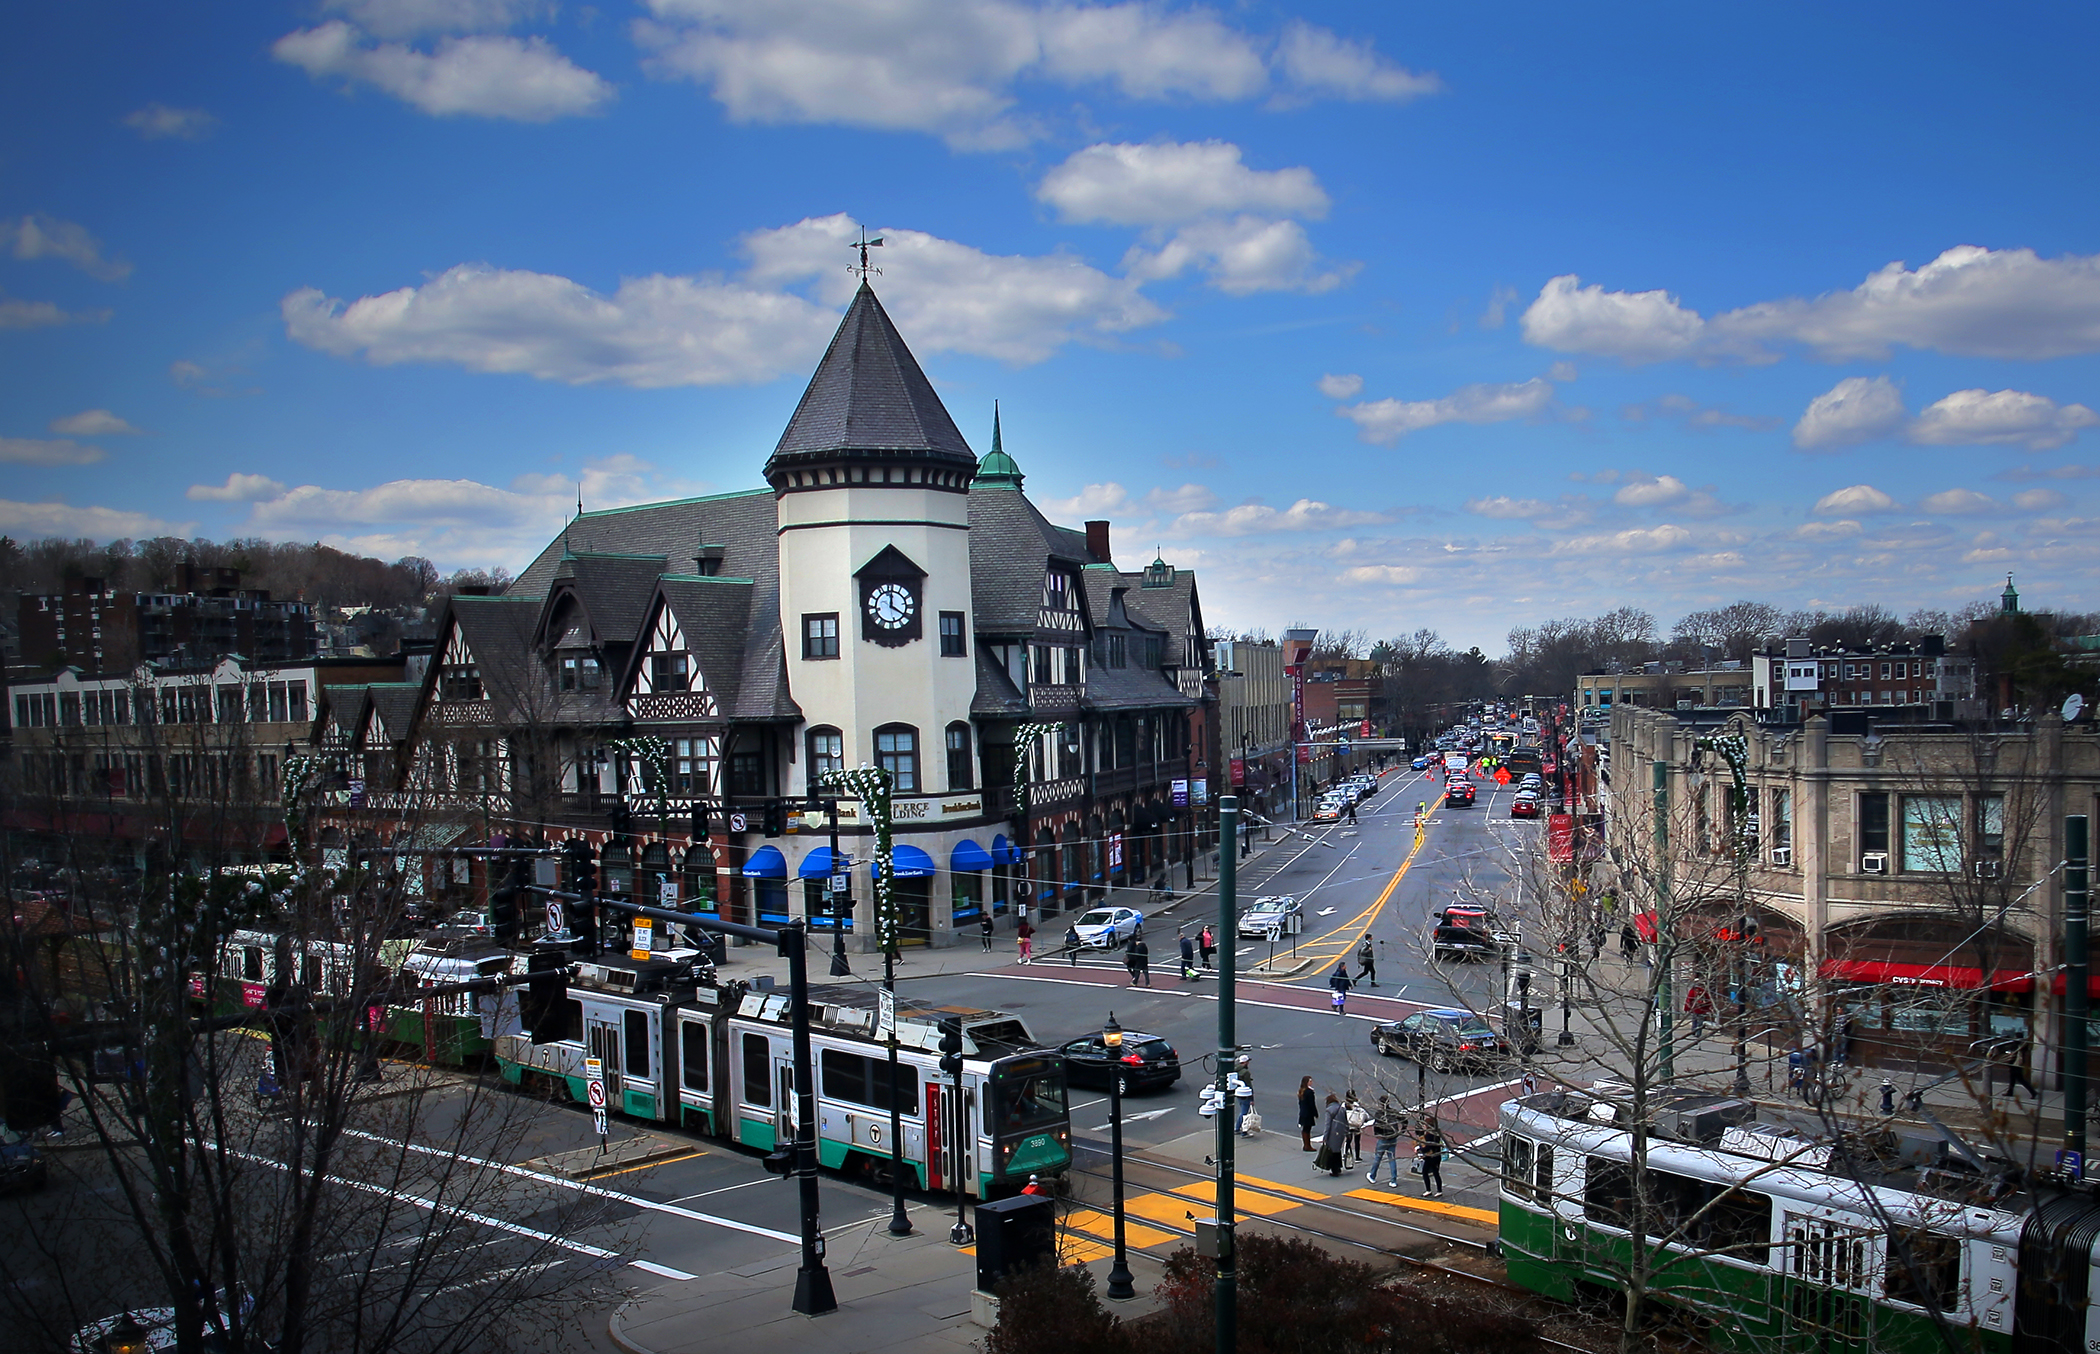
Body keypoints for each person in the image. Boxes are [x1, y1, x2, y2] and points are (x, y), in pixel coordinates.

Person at [1367, 1097, 1403, 1187]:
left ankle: (1372, 1175)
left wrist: (1377, 1134)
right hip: (1393, 1138)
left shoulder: (1379, 1113)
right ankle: (1393, 1180)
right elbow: (1404, 1120)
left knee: (1378, 1158)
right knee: (1392, 1159)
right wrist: (1401, 1131)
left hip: (1383, 1138)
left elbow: (1376, 1125)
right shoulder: (1393, 1112)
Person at [1318, 1093, 1348, 1177]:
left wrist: (1325, 1137)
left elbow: (1327, 1125)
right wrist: (1347, 1132)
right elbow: (1345, 1121)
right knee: (1337, 1150)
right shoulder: (1342, 1109)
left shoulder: (1329, 1110)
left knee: (1332, 1151)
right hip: (1341, 1133)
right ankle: (1338, 1167)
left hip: (1333, 1133)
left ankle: (1335, 1170)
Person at [1417, 1119, 1445, 1198]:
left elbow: (1427, 1148)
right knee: (1436, 1173)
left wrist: (1420, 1148)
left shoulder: (1429, 1135)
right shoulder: (1437, 1133)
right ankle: (1439, 1190)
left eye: (1424, 1125)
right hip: (1437, 1156)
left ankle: (1428, 1190)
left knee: (1425, 1172)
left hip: (1430, 1157)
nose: (1423, 1126)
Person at [1343, 1091, 1368, 1166]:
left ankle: (1345, 1154)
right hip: (1356, 1125)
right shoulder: (1357, 1106)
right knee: (1357, 1141)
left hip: (1348, 1125)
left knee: (1348, 1140)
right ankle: (1357, 1157)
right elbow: (1364, 1114)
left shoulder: (1344, 1105)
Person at [1298, 1076, 1318, 1152]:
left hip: (1303, 1113)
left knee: (1304, 1129)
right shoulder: (1309, 1092)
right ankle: (1307, 1145)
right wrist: (1315, 1113)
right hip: (1308, 1113)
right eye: (1310, 1081)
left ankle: (1305, 1144)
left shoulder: (1301, 1091)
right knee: (1307, 1129)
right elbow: (1311, 1104)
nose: (1311, 1082)